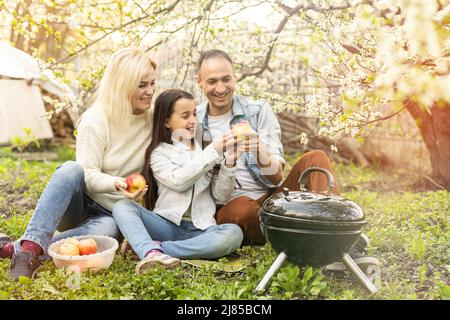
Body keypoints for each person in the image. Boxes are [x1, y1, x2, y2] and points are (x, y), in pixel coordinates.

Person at [194, 49, 377, 267]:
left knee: (316, 157)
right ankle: (310, 239)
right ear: (199, 83)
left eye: (226, 79)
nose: (221, 88)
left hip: (274, 201)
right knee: (241, 209)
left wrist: (259, 149)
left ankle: (335, 235)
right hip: (232, 208)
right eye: (212, 81)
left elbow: (276, 177)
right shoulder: (193, 121)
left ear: (235, 76)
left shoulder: (258, 111)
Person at [0, 47, 157, 281]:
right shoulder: (96, 120)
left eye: (153, 83)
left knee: (106, 234)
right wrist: (116, 183)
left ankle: (18, 249)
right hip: (80, 203)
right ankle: (30, 249)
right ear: (123, 84)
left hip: (113, 214)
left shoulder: (152, 119)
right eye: (142, 85)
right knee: (71, 168)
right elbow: (88, 174)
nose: (150, 91)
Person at [112, 89, 244, 275]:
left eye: (194, 114)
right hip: (166, 225)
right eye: (185, 116)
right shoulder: (159, 153)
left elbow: (221, 196)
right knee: (122, 206)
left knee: (233, 234)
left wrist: (230, 162)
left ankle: (157, 250)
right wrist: (213, 151)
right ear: (166, 121)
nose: (193, 121)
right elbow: (179, 181)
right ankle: (152, 250)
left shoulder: (206, 152)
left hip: (200, 230)